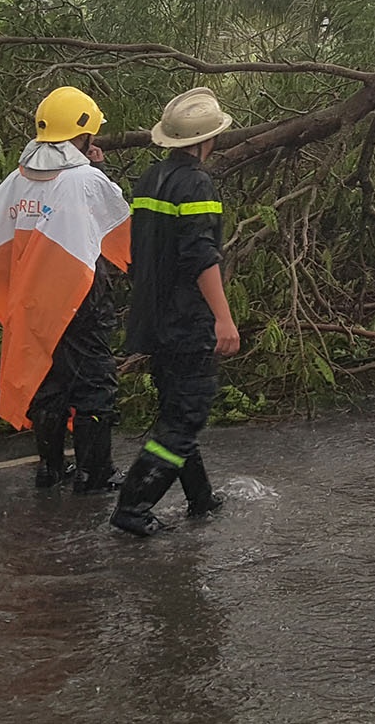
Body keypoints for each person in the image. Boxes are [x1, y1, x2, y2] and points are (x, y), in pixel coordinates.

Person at [0, 87, 132, 492]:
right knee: (94, 381)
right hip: (79, 295)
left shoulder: (19, 178)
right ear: (84, 134)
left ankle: (51, 469)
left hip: (32, 298)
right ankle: (95, 473)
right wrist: (99, 172)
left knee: (47, 378)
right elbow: (118, 225)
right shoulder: (85, 179)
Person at [110, 87, 241, 537]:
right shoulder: (197, 184)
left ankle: (201, 499)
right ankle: (133, 507)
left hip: (154, 317)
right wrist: (223, 318)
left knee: (175, 408)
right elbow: (201, 255)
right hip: (187, 321)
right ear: (208, 140)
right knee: (185, 418)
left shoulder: (150, 179)